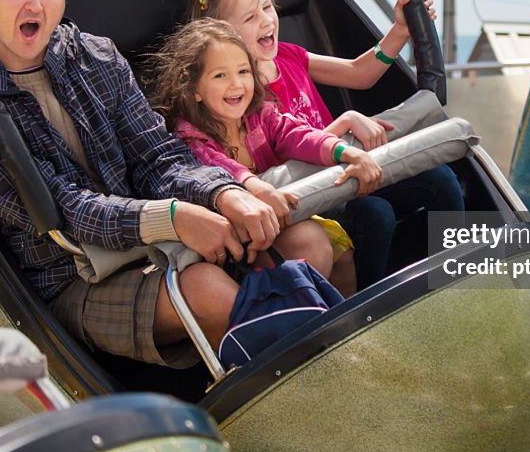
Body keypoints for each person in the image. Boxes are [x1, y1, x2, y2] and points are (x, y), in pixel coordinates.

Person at [0, 0, 282, 367]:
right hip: (74, 274)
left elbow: (157, 155)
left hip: (152, 239)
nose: (34, 2)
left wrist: (225, 191)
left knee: (296, 242)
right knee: (212, 295)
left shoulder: (96, 57)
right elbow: (60, 212)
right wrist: (173, 218)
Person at [182, 0, 465, 289]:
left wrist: (400, 31)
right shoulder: (239, 92)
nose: (266, 20)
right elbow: (284, 164)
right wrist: (342, 126)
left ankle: (453, 276)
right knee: (376, 215)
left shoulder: (288, 56)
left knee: (441, 179)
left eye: (267, 7)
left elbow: (358, 73)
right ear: (223, 36)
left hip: (344, 166)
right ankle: (372, 304)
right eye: (250, 17)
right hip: (314, 194)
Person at [146, 19, 385, 297]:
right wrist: (255, 186)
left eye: (244, 71)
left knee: (344, 252)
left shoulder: (261, 116)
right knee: (316, 244)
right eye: (220, 76)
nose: (236, 84)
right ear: (195, 89)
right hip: (238, 244)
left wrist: (345, 151)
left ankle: (344, 323)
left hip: (279, 220)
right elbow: (219, 168)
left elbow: (298, 135)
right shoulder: (188, 136)